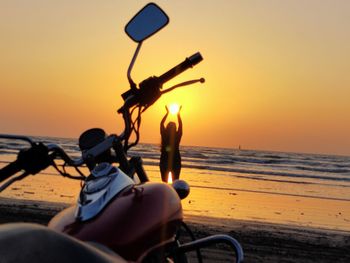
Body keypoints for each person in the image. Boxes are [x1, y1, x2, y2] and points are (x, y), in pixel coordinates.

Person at [159, 105, 182, 182]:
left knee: (173, 182)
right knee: (166, 182)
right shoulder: (166, 136)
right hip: (167, 161)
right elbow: (161, 124)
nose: (172, 127)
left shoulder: (175, 137)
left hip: (173, 162)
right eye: (171, 126)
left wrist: (177, 114)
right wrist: (168, 113)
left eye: (173, 126)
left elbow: (180, 126)